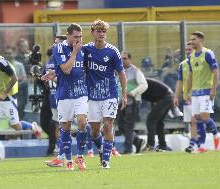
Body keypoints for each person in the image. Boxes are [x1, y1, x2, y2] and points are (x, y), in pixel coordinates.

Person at [0, 42, 42, 161]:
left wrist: (4, 93)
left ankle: (32, 126)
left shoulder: (1, 62)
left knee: (16, 126)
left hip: (8, 98)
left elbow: (14, 78)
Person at [43, 24, 89, 171]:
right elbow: (67, 69)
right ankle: (68, 160)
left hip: (80, 92)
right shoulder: (59, 49)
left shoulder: (84, 49)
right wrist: (74, 53)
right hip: (64, 94)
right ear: (68, 35)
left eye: (80, 37)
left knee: (82, 122)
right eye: (76, 37)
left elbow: (83, 68)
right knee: (66, 128)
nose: (78, 40)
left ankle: (80, 158)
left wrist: (55, 73)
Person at [83, 19, 127, 169]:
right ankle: (102, 149)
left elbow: (121, 73)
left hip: (110, 94)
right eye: (99, 31)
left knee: (108, 125)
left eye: (104, 31)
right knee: (94, 131)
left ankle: (106, 160)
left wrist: (125, 94)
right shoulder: (86, 50)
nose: (102, 34)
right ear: (92, 33)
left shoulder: (113, 51)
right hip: (92, 96)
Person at [186, 31, 220, 151]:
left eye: (194, 39)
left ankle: (216, 135)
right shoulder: (191, 57)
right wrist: (187, 92)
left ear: (201, 40)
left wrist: (213, 89)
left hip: (206, 91)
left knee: (205, 116)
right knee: (196, 118)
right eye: (191, 40)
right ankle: (201, 145)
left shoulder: (208, 54)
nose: (192, 42)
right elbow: (190, 76)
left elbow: (215, 72)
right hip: (195, 92)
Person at [173, 41, 207, 153]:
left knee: (196, 120)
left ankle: (194, 144)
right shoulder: (183, 65)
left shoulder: (200, 63)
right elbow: (180, 81)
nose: (188, 52)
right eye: (186, 50)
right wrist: (176, 96)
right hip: (187, 97)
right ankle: (199, 145)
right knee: (192, 122)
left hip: (199, 95)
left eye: (190, 49)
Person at [41, 35, 67, 156]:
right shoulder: (50, 60)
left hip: (68, 96)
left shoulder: (68, 58)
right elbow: (43, 77)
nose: (54, 45)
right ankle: (58, 147)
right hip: (53, 96)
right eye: (54, 43)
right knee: (56, 122)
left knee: (82, 123)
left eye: (58, 43)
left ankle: (93, 144)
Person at [117, 51, 148, 154]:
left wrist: (134, 92)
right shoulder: (118, 71)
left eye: (125, 58)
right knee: (121, 126)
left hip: (133, 101)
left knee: (128, 126)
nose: (122, 60)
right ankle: (137, 141)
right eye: (121, 58)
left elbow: (144, 85)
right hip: (121, 102)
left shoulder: (136, 71)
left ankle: (128, 149)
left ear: (130, 59)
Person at [142, 78, 174, 152]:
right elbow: (153, 96)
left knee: (150, 120)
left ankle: (150, 146)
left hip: (165, 97)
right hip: (167, 97)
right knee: (159, 122)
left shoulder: (140, 84)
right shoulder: (142, 82)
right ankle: (163, 146)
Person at [4, 46, 28, 120]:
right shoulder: (3, 66)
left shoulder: (19, 65)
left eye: (10, 53)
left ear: (14, 54)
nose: (8, 55)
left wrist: (15, 83)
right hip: (7, 93)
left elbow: (24, 79)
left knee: (19, 111)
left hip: (19, 93)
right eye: (6, 53)